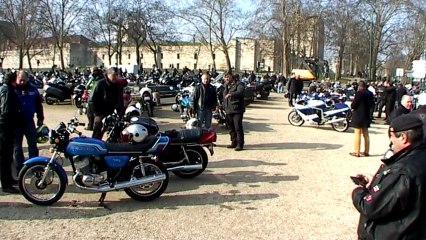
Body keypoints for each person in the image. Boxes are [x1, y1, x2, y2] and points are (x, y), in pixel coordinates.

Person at [352, 114, 426, 239]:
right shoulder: (420, 156)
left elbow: (371, 207)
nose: (390, 142)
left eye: (391, 136)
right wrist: (377, 181)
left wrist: (357, 191)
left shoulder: (402, 170)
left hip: (396, 233)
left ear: (403, 137)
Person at [14, 70, 44, 172]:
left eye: (24, 80)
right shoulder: (12, 89)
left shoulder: (33, 89)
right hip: (16, 123)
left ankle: (34, 166)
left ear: (27, 79)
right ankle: (20, 169)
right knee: (17, 147)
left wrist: (40, 118)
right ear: (17, 78)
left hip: (29, 121)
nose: (22, 82)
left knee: (33, 145)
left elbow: (38, 105)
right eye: (20, 80)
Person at [0, 72, 21, 193]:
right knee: (6, 156)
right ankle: (6, 184)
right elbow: (6, 111)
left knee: (7, 157)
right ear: (13, 80)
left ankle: (9, 179)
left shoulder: (3, 89)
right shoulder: (9, 91)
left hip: (4, 127)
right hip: (5, 128)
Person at [90, 67, 124, 139]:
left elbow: (120, 99)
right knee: (98, 129)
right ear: (108, 74)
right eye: (114, 75)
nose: (116, 77)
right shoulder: (100, 84)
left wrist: (120, 112)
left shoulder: (118, 86)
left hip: (113, 112)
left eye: (117, 75)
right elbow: (92, 100)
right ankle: (95, 144)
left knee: (117, 130)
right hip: (101, 112)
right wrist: (97, 114)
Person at [350, 80, 375, 157]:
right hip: (366, 115)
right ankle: (366, 151)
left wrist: (352, 106)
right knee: (366, 134)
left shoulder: (359, 93)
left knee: (357, 133)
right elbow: (372, 104)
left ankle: (357, 151)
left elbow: (354, 104)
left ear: (360, 86)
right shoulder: (370, 93)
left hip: (358, 115)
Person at [223, 71, 245, 151]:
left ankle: (240, 144)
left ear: (232, 77)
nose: (226, 79)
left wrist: (231, 94)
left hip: (237, 110)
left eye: (228, 77)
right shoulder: (226, 86)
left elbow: (241, 92)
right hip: (228, 110)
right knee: (231, 128)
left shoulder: (239, 84)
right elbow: (224, 97)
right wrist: (222, 106)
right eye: (225, 77)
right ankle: (234, 142)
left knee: (238, 127)